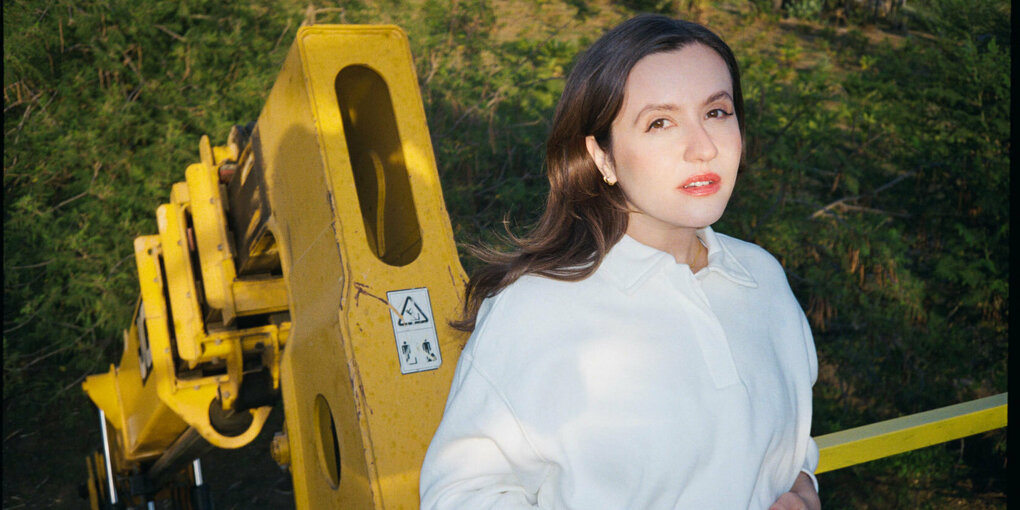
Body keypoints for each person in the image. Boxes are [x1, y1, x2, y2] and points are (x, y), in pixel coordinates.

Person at [420, 13, 820, 510]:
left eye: (716, 112)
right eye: (660, 122)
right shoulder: (537, 307)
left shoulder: (763, 279)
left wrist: (802, 489)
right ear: (602, 157)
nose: (703, 148)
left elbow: (787, 442)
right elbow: (461, 496)